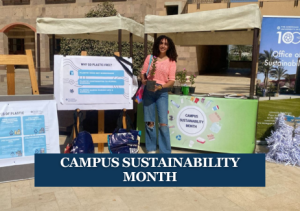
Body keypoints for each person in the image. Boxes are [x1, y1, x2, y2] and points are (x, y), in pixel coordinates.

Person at [140, 35, 177, 154]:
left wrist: (160, 86)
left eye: (166, 44)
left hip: (162, 93)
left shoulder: (171, 61)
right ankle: (151, 149)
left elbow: (171, 81)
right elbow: (143, 73)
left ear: (169, 46)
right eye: (161, 43)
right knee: (149, 121)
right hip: (149, 91)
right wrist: (144, 80)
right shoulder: (150, 58)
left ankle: (165, 152)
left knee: (163, 123)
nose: (163, 45)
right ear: (157, 44)